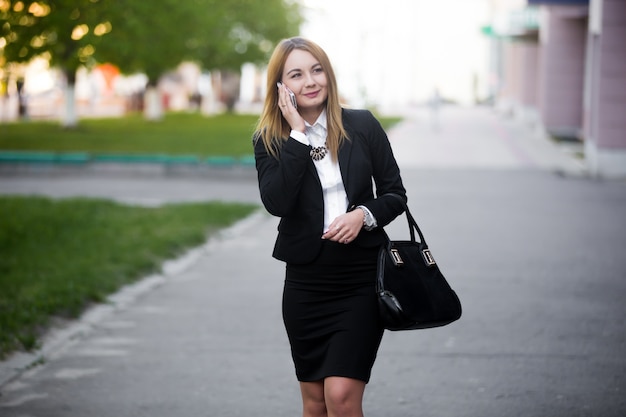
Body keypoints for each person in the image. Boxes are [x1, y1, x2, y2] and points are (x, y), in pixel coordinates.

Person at [253, 37, 407, 417]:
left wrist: (363, 215)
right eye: (297, 74)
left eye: (317, 69)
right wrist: (298, 136)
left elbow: (394, 194)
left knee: (340, 397)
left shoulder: (362, 125)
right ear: (280, 86)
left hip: (360, 279)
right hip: (307, 283)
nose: (310, 81)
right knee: (315, 402)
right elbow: (277, 203)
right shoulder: (270, 140)